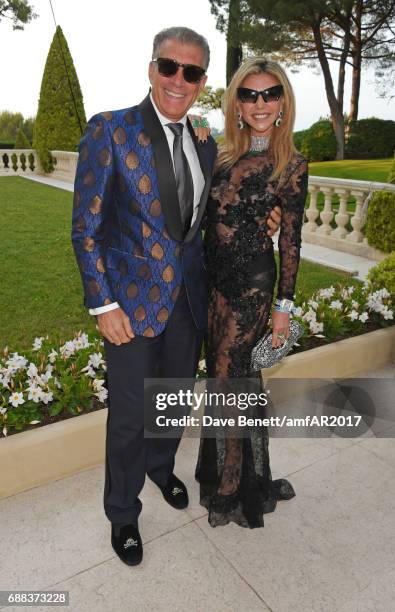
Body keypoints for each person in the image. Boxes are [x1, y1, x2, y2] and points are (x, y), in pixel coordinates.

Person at [72, 27, 283, 566]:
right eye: (169, 67)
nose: (178, 80)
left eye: (190, 73)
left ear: (202, 81)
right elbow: (86, 230)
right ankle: (122, 513)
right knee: (127, 417)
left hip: (190, 302)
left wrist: (268, 220)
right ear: (152, 69)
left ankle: (161, 470)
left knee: (169, 404)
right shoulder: (111, 131)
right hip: (130, 308)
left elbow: (217, 213)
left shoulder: (206, 140)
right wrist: (103, 303)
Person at [195, 57, 308, 528]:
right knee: (230, 376)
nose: (260, 104)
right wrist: (195, 130)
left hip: (253, 287)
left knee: (228, 378)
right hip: (213, 281)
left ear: (282, 102)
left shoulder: (292, 164)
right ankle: (242, 475)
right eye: (249, 94)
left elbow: (292, 240)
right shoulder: (220, 154)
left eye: (269, 94)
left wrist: (283, 309)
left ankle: (231, 486)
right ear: (236, 103)